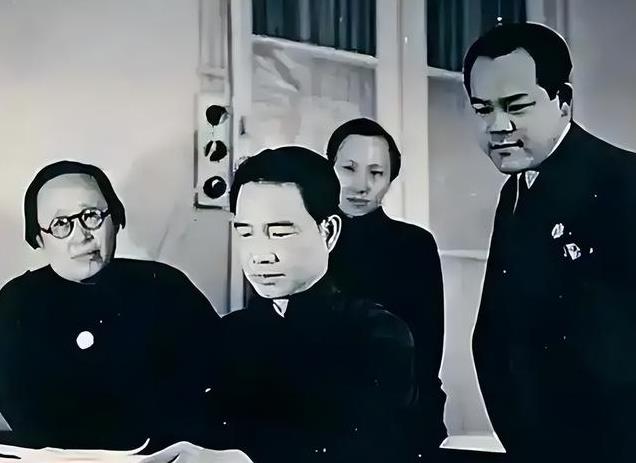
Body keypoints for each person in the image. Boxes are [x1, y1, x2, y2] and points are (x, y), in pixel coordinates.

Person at [466, 23, 636, 462]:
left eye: (516, 106)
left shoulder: (624, 183)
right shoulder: (514, 191)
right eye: (482, 109)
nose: (497, 126)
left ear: (563, 101)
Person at [185, 146, 416, 463]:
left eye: (279, 233)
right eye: (246, 233)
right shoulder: (228, 334)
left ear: (329, 232)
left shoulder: (377, 334)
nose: (260, 255)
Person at [0, 161, 221, 451]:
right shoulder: (16, 303)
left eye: (91, 216)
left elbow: (215, 385)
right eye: (60, 224)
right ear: (39, 238)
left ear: (115, 220)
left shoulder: (167, 287)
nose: (81, 236)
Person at [326, 118, 446, 458]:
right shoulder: (307, 241)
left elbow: (427, 351)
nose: (361, 185)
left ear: (391, 179)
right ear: (329, 168)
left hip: (398, 416)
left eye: (376, 173)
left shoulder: (414, 245)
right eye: (348, 169)